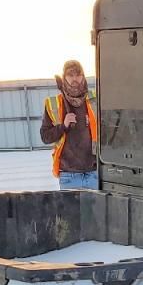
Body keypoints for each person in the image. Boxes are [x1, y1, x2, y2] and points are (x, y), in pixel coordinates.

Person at [40, 60, 99, 189]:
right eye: (70, 75)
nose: (75, 79)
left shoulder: (95, 99)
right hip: (69, 176)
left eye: (78, 75)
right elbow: (45, 137)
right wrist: (63, 126)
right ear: (64, 78)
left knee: (98, 210)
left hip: (95, 173)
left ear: (83, 77)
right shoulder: (54, 104)